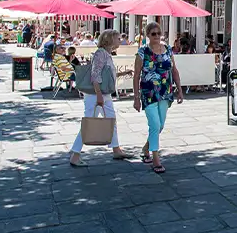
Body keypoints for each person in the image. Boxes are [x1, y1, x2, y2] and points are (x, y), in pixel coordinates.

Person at [69, 29, 132, 166]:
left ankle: (116, 149)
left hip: (104, 93)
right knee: (89, 122)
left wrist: (123, 73)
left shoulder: (106, 54)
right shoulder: (100, 54)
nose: (120, 41)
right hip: (96, 94)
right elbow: (95, 75)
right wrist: (98, 95)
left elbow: (105, 75)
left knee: (111, 119)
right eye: (118, 38)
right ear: (110, 39)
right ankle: (75, 154)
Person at [133, 21, 183, 174]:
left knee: (160, 126)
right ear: (147, 35)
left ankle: (146, 148)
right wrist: (136, 97)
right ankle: (156, 159)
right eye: (153, 33)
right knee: (154, 125)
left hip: (165, 92)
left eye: (158, 33)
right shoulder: (142, 52)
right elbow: (136, 76)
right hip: (148, 93)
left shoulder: (168, 49)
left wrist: (179, 90)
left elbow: (174, 70)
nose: (156, 36)